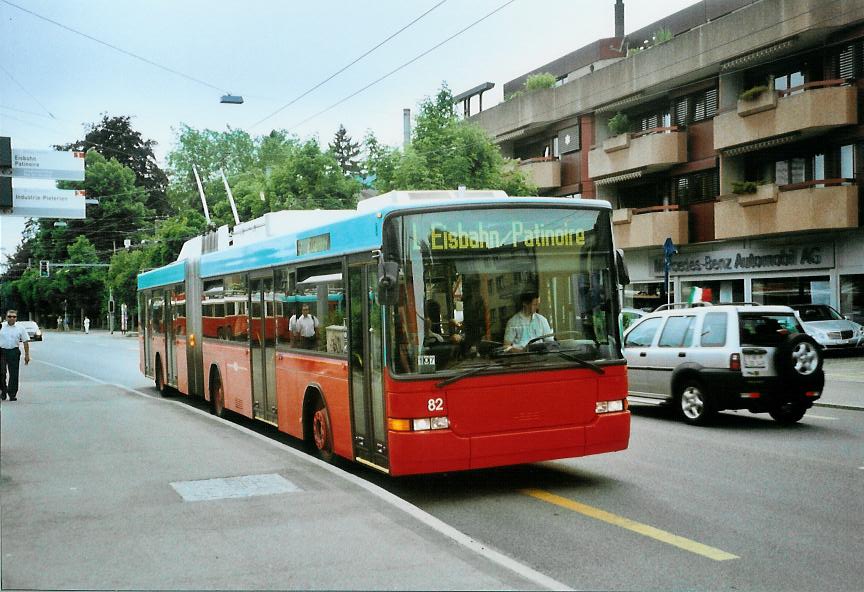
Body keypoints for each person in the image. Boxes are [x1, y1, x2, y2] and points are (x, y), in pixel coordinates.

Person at [1, 309, 31, 401]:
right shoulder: (1, 326)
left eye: (14, 317)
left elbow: (25, 341)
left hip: (14, 351)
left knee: (14, 374)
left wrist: (27, 355)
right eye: (10, 316)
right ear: (6, 317)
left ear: (16, 318)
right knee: (1, 373)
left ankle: (12, 393)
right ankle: (3, 390)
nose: (12, 318)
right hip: (1, 351)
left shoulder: (20, 328)